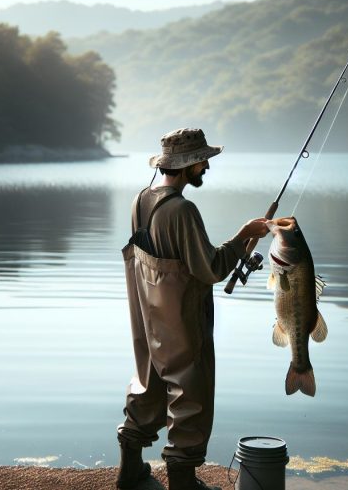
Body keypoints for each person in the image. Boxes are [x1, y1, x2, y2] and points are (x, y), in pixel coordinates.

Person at [116, 128, 269, 490]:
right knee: (190, 390)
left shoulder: (140, 199)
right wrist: (245, 234)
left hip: (146, 312)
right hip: (180, 316)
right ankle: (183, 484)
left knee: (149, 380)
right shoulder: (183, 209)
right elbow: (211, 268)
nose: (206, 167)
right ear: (188, 166)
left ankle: (130, 470)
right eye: (203, 161)